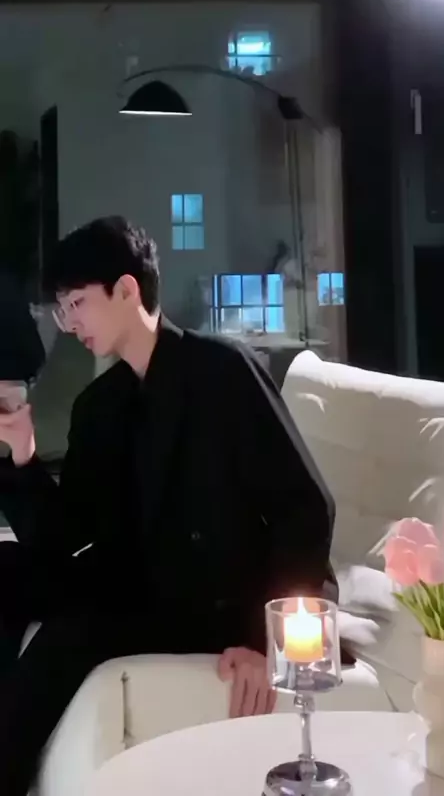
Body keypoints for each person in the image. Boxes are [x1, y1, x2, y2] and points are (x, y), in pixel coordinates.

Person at [0, 216, 336, 796]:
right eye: (62, 309)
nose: (69, 322)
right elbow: (63, 535)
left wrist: (267, 642)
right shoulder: (100, 404)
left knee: (72, 636)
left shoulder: (223, 371)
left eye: (77, 303)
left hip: (216, 601)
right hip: (136, 584)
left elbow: (305, 506)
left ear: (126, 290)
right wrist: (23, 456)